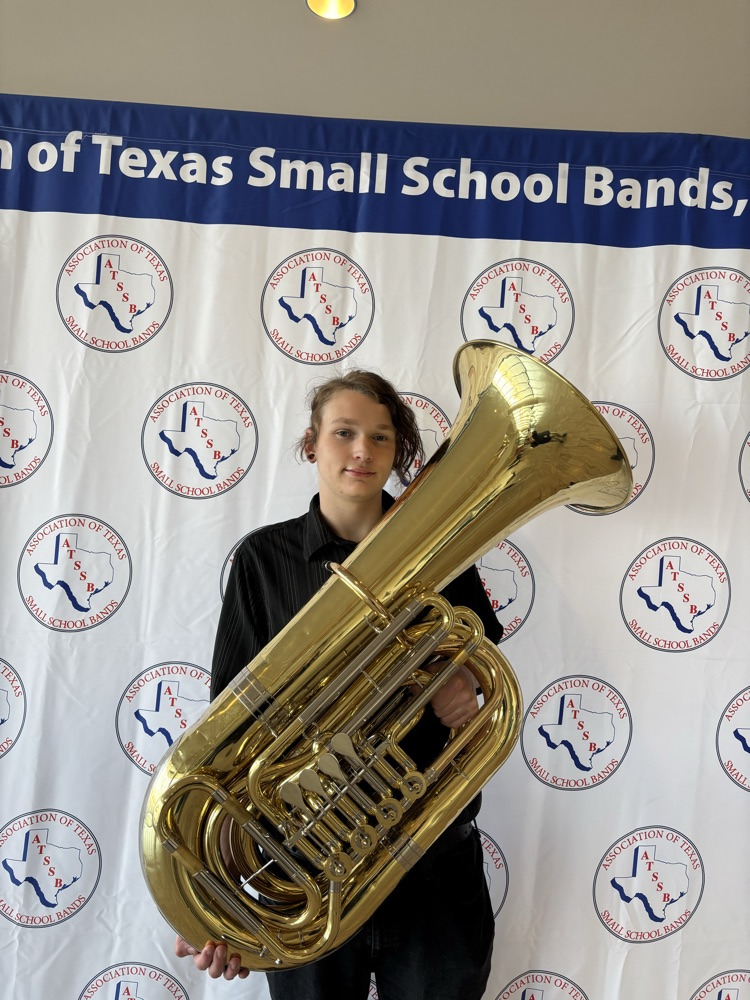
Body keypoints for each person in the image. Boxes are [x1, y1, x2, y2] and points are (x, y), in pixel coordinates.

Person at [175, 369, 503, 999]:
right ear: (311, 444)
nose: (362, 451)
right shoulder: (262, 561)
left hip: (430, 863)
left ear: (398, 454)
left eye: (381, 439)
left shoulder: (445, 549)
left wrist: (458, 684)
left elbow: (481, 675)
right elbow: (222, 739)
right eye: (344, 433)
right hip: (302, 869)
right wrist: (214, 905)